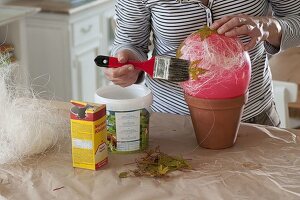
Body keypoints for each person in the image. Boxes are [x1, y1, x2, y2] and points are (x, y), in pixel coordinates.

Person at [103, 0, 300, 127]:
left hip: (253, 117)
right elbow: (130, 41)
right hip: (171, 122)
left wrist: (267, 27)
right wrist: (127, 62)